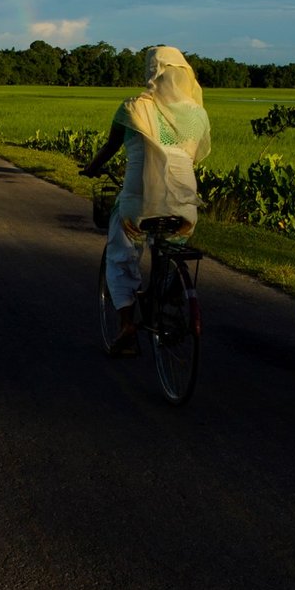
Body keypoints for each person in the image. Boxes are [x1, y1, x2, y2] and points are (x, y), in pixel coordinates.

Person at [81, 45, 212, 357]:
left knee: (121, 257)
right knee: (171, 250)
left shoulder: (134, 107)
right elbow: (188, 155)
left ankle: (127, 326)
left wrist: (92, 169)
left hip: (138, 203)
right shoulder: (197, 113)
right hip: (183, 203)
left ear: (152, 72)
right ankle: (166, 297)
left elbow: (111, 147)